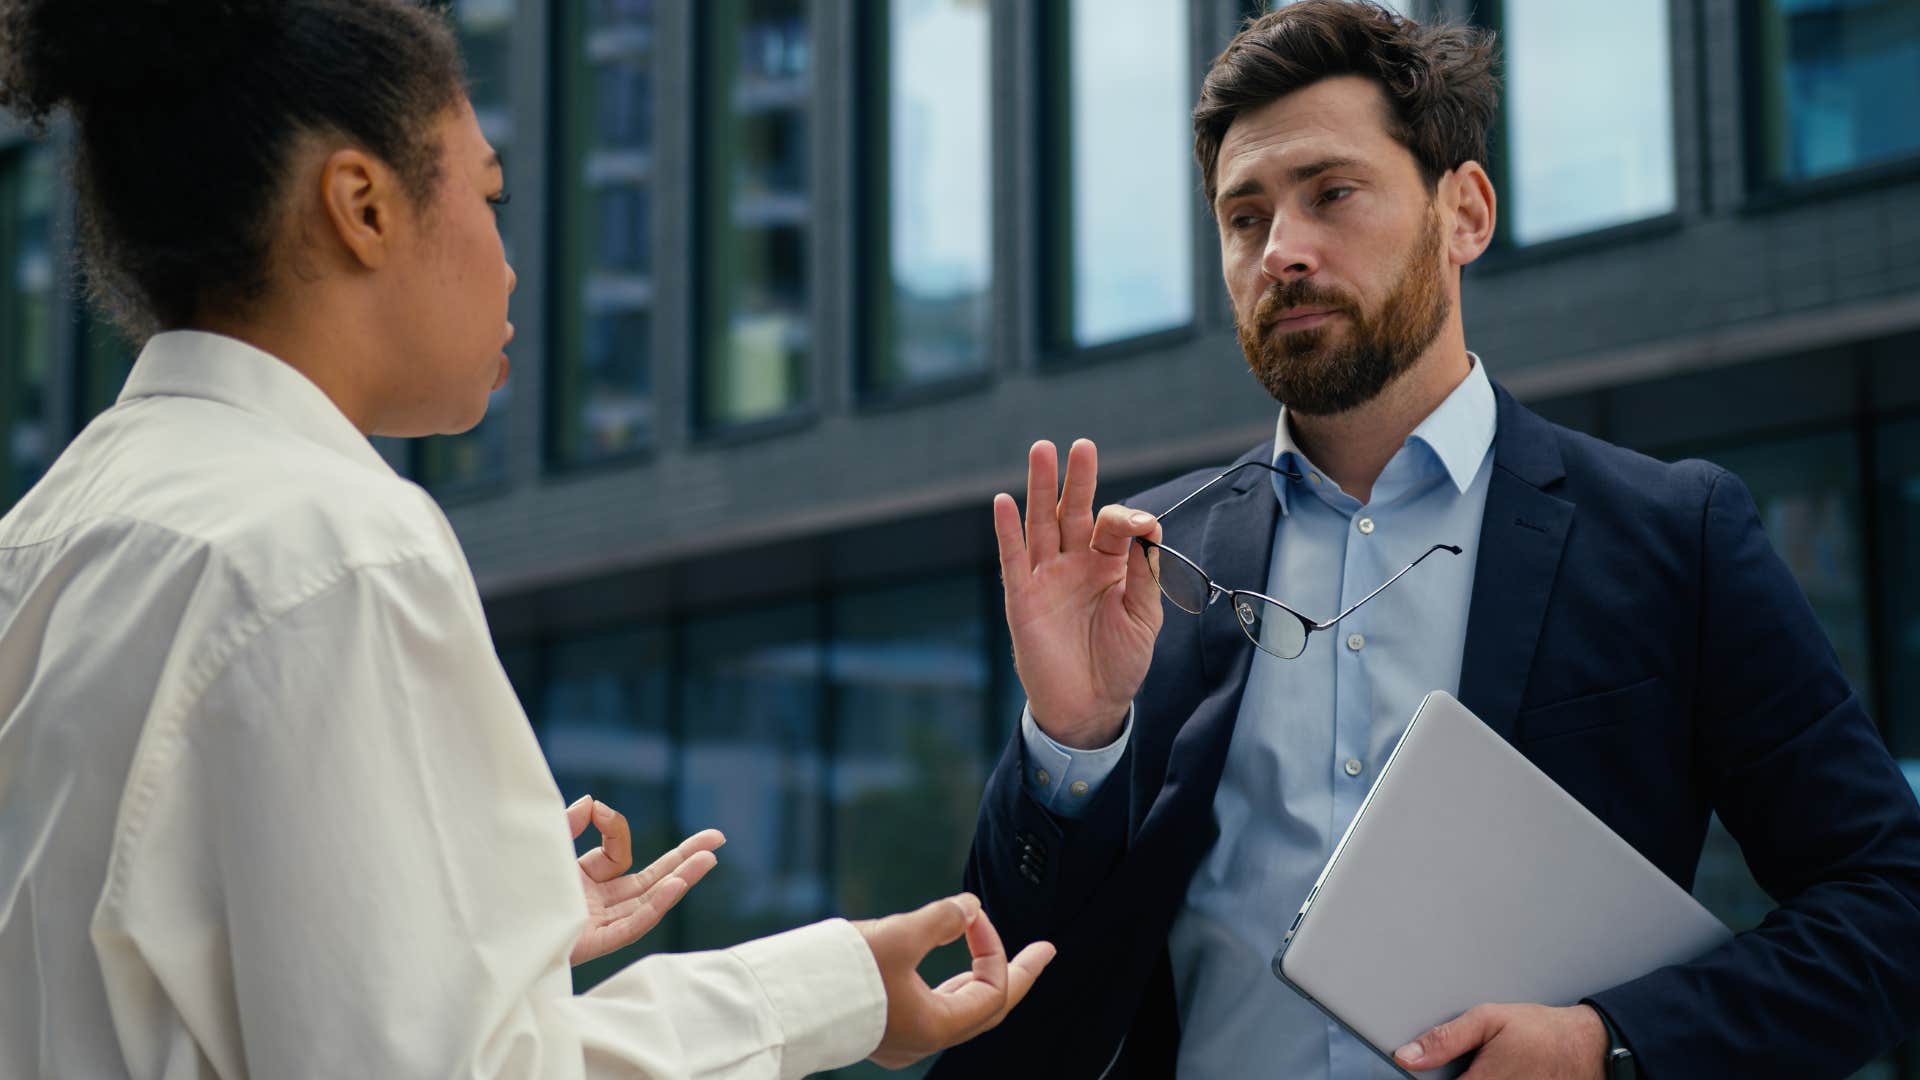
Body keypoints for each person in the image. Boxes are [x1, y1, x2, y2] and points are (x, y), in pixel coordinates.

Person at [0, 1, 1052, 1077]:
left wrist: (465, 921)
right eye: (490, 194)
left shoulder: (35, 543)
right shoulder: (336, 554)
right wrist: (819, 995)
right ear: (361, 205)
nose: (510, 267)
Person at [931, 2, 1920, 1078]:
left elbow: (1888, 905)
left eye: (1333, 193)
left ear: (1467, 212)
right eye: (1246, 217)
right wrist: (1067, 740)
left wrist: (1611, 1046)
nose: (1283, 252)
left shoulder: (1670, 537)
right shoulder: (1148, 564)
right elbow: (1008, 997)